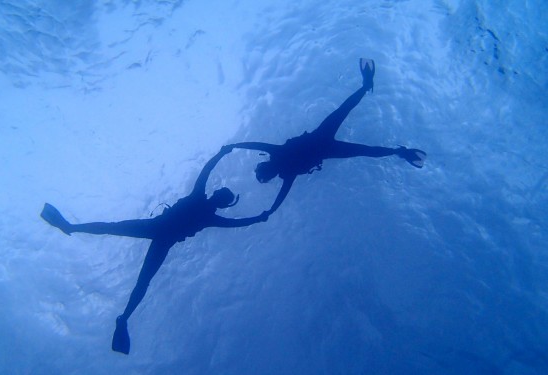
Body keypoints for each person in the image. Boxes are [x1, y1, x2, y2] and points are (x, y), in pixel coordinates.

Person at [40, 146, 268, 355]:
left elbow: (230, 215)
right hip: (160, 233)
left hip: (160, 235)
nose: (218, 193)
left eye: (222, 194)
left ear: (220, 199)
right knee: (117, 236)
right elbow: (209, 175)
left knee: (138, 272)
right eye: (221, 192)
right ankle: (70, 228)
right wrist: (221, 156)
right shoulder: (206, 210)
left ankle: (124, 318)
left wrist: (257, 216)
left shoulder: (207, 211)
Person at [228, 58, 426, 214]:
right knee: (350, 121)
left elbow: (280, 191)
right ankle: (397, 148)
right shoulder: (282, 164)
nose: (267, 168)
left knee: (361, 144)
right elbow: (260, 150)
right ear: (266, 168)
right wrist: (236, 145)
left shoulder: (283, 165)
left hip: (324, 145)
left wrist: (271, 209)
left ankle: (398, 150)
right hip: (323, 142)